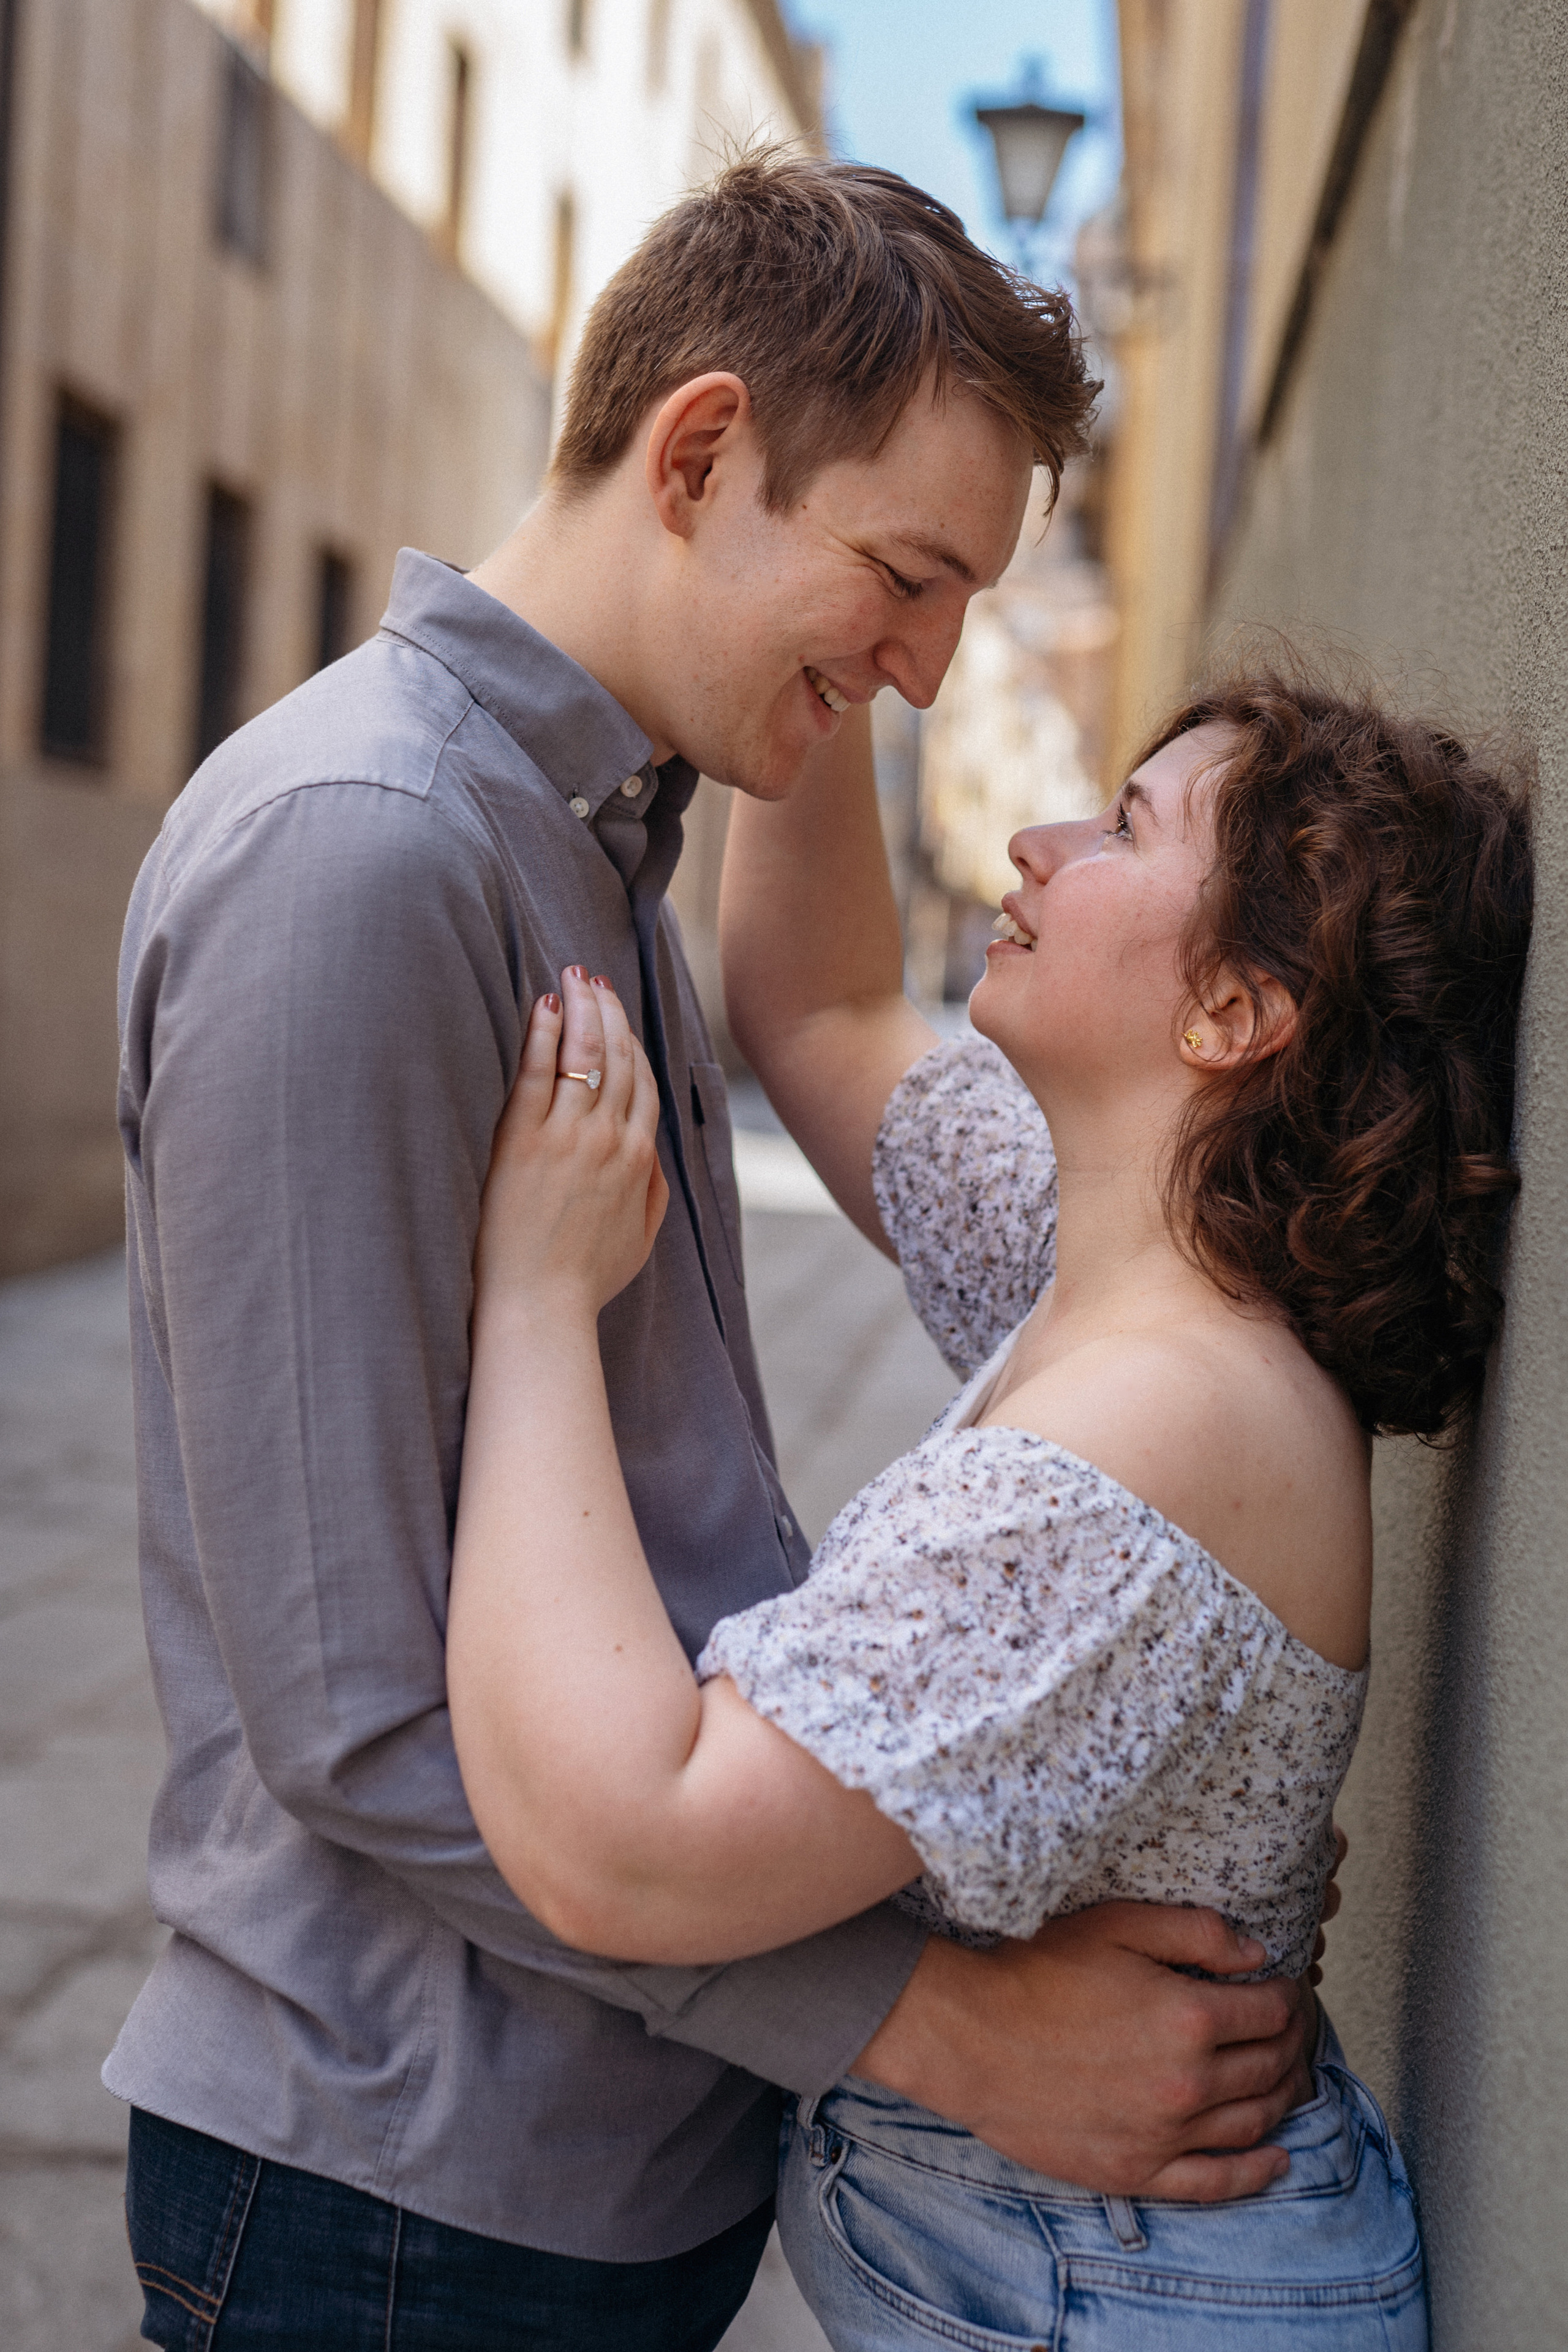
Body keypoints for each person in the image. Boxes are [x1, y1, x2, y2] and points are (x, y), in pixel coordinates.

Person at [112, 155, 1315, 2350]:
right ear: (698, 456)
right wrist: (931, 2023)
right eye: (906, 576)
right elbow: (352, 1713)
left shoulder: (591, 827)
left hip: (602, 2160)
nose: (939, 676)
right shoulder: (367, 857)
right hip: (399, 2194)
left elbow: (831, 1002)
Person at [445, 665, 1531, 2347]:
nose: (1029, 845)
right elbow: (817, 1009)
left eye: (1120, 828)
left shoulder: (1148, 1440)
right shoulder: (1133, 1260)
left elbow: (629, 1848)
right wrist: (825, 636)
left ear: (1241, 1009)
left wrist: (534, 1303)